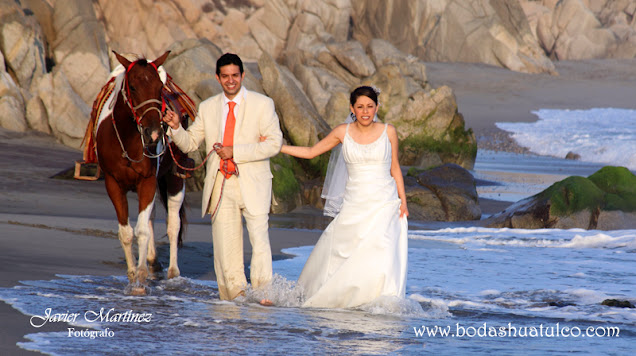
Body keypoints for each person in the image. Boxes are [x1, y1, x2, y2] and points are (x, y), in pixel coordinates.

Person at [163, 53, 282, 302]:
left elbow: (274, 144)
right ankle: (233, 300)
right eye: (225, 76)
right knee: (226, 248)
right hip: (220, 185)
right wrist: (176, 127)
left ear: (242, 76)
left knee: (260, 242)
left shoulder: (263, 104)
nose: (231, 81)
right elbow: (190, 143)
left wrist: (235, 152)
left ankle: (263, 297)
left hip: (255, 183)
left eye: (235, 76)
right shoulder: (207, 107)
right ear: (218, 78)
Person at [280, 86, 409, 308]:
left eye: (370, 106)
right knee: (344, 254)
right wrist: (279, 147)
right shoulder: (343, 132)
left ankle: (381, 306)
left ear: (377, 107)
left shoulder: (389, 131)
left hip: (385, 204)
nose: (365, 111)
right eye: (360, 107)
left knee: (383, 254)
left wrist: (403, 201)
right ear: (352, 108)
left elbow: (395, 168)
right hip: (354, 205)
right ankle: (348, 299)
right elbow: (312, 152)